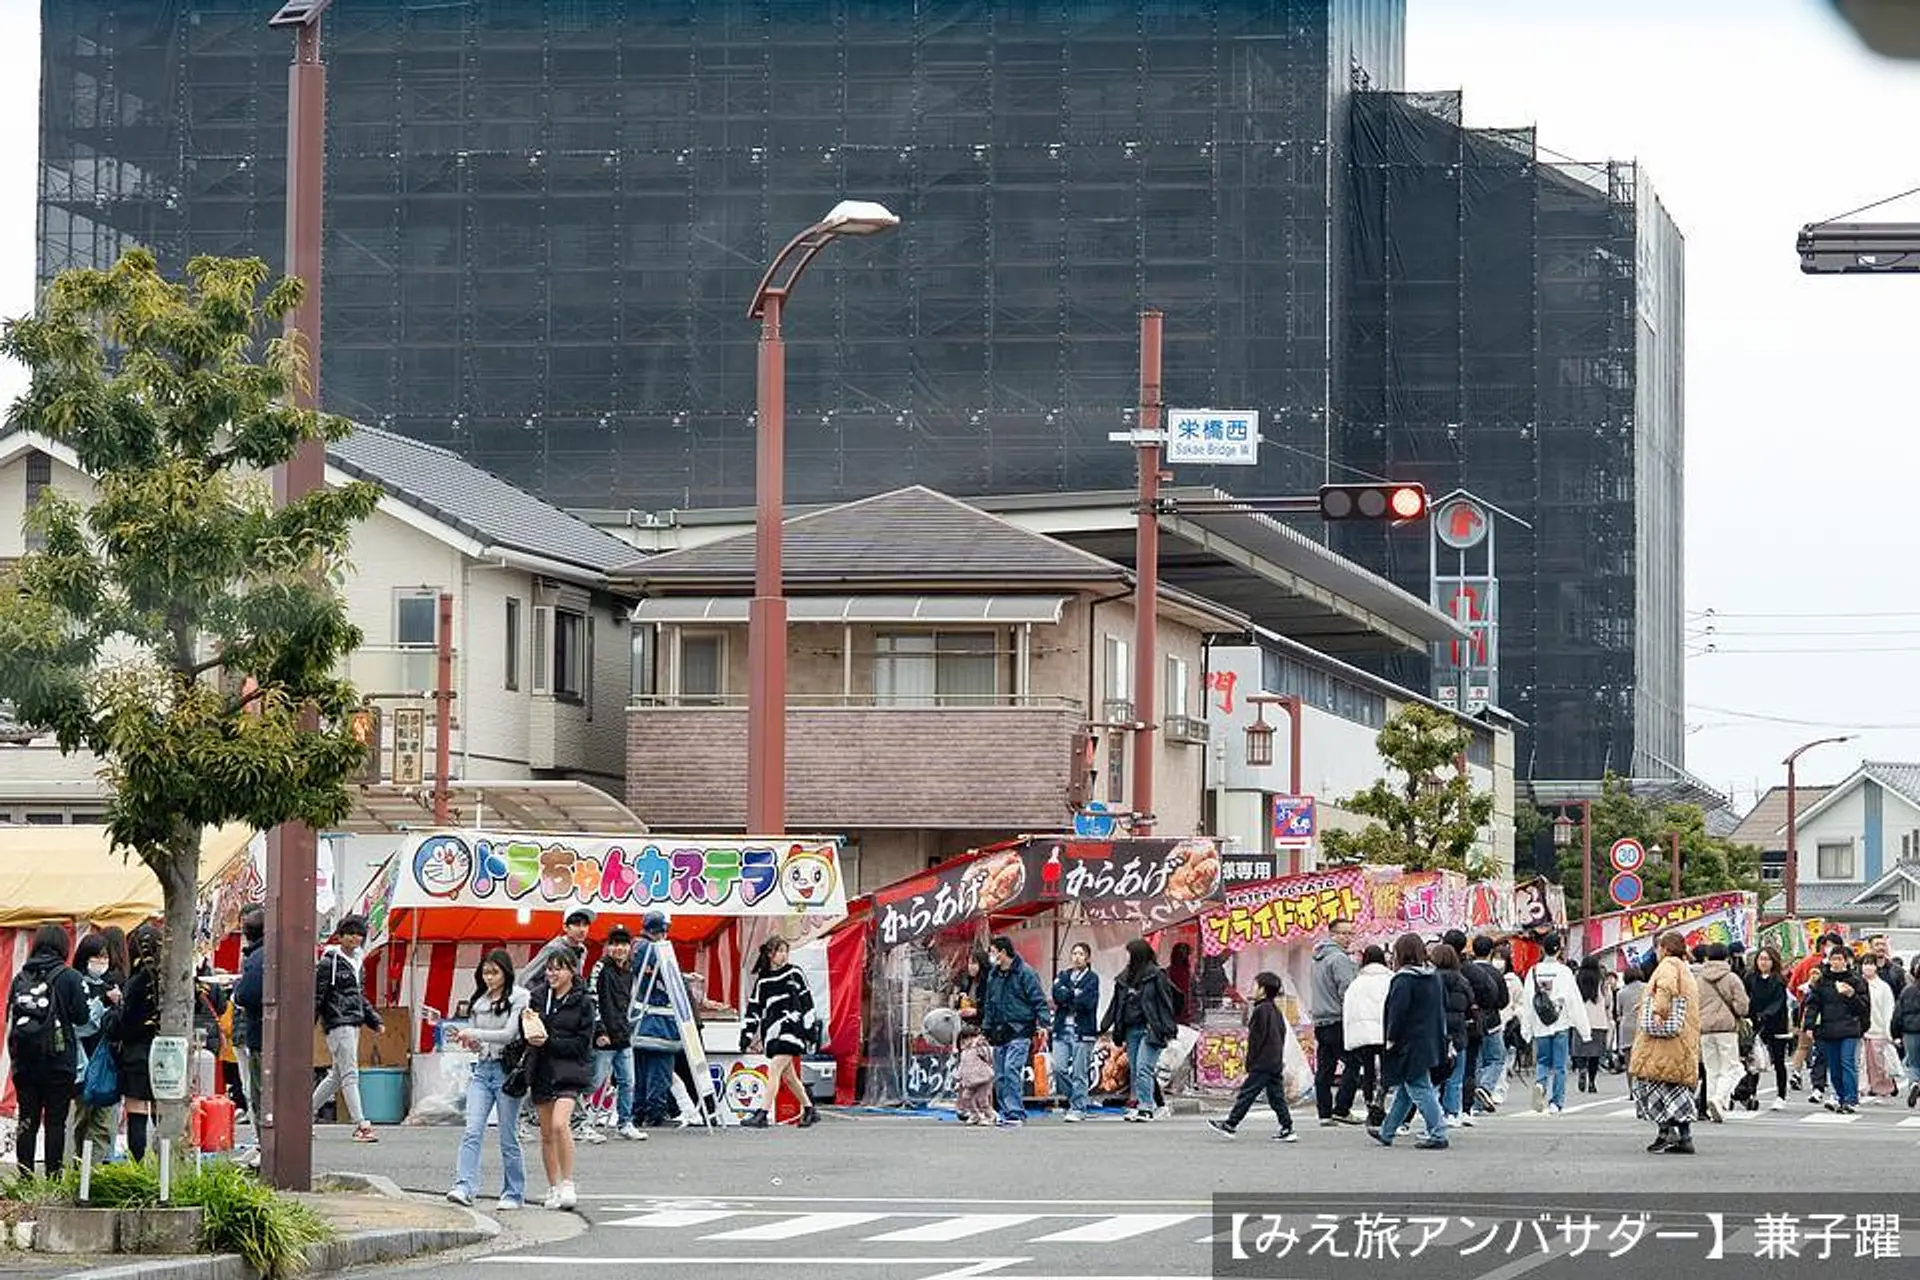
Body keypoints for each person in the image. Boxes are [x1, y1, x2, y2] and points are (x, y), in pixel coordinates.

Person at [446, 949, 529, 1210]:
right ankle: (464, 1186)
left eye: (495, 972)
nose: (490, 977)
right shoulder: (479, 1000)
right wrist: (469, 1040)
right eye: (485, 972)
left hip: (507, 1071)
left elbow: (509, 1034)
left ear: (506, 972)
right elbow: (478, 1045)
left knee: (508, 1135)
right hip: (482, 1070)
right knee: (472, 1130)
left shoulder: (519, 996)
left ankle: (513, 1193)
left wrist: (475, 1032)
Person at [8, 923, 88, 1176]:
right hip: (58, 1059)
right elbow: (82, 1017)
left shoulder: (21, 977)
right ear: (63, 947)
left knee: (27, 1119)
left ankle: (25, 1176)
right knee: (55, 1121)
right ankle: (54, 1175)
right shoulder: (70, 977)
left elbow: (11, 1013)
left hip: (25, 1060)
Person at [527, 950, 594, 1211]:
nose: (552, 974)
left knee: (559, 1124)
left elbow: (582, 1043)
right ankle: (552, 1185)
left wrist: (550, 1042)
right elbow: (528, 1029)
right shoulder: (538, 997)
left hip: (569, 1070)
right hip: (541, 1069)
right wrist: (529, 1027)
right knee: (545, 1134)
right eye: (550, 969)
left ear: (572, 971)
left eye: (559, 969)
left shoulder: (584, 1002)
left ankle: (568, 1182)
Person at [1370, 932, 1448, 1150]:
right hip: (1430, 1039)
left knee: (1418, 1086)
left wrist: (1391, 1039)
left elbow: (1397, 1013)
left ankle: (1438, 1131)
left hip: (1408, 1042)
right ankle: (1387, 1131)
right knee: (1407, 1088)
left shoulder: (1404, 979)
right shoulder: (1433, 976)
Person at [312, 914, 383, 1142]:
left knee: (337, 1075)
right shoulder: (329, 962)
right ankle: (361, 1124)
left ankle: (302, 1115)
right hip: (338, 1021)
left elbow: (358, 996)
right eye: (350, 933)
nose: (355, 938)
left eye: (359, 934)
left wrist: (373, 1019)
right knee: (349, 1074)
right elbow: (317, 996)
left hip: (352, 1021)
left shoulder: (357, 962)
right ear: (340, 936)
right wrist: (310, 1023)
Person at [1631, 929, 1702, 1154]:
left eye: (1658, 947)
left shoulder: (1668, 965)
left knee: (1655, 1083)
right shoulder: (1685, 969)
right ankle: (1685, 1137)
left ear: (1665, 948)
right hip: (1683, 1038)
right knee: (1677, 1087)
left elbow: (1666, 987)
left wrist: (1659, 1011)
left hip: (1663, 1041)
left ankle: (1665, 1132)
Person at [741, 938, 822, 1129]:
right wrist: (746, 1035)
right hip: (772, 1033)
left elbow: (807, 1001)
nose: (784, 955)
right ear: (770, 954)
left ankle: (762, 1114)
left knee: (775, 1070)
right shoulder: (763, 981)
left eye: (786, 951)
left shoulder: (795, 973)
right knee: (789, 1077)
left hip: (792, 1030)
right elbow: (753, 1010)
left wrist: (810, 1030)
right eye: (780, 951)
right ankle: (810, 1110)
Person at [1206, 971, 1296, 1142]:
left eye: (1255, 985)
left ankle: (1231, 1124)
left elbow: (1256, 1040)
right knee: (1276, 1097)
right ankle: (1287, 1127)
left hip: (1262, 1062)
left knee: (1247, 1094)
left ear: (1263, 990)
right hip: (1274, 1061)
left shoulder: (1261, 1010)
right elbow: (1281, 1034)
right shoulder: (1275, 1010)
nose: (1252, 988)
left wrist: (1250, 1063)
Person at [1101, 938, 1177, 1123]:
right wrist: (1105, 1025)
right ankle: (1156, 1105)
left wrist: (1168, 1028)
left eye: (1131, 954)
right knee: (1137, 1070)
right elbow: (1116, 1004)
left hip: (1151, 1029)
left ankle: (1145, 1107)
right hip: (1130, 1028)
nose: (1128, 958)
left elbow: (1166, 1003)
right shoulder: (1124, 977)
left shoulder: (1156, 975)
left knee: (1143, 1068)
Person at [1519, 931, 1591, 1115]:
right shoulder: (1564, 972)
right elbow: (1574, 1001)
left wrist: (1526, 1029)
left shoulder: (1533, 971)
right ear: (1559, 949)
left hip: (1540, 1024)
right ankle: (1555, 1103)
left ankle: (1540, 1085)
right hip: (1561, 1023)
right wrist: (1584, 1030)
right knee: (1559, 1065)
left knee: (1543, 1061)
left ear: (1543, 948)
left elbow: (1527, 1001)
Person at [980, 935, 1049, 1128]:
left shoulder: (1025, 973)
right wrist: (986, 1027)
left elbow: (1038, 999)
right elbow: (989, 1002)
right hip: (999, 1031)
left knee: (1011, 1069)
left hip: (1020, 1029)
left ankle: (1015, 1112)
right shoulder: (993, 975)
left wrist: (1043, 1024)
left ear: (1002, 952)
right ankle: (1007, 1111)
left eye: (993, 952)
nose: (991, 956)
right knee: (1000, 1074)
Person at [66, 932, 121, 1164]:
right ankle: (80, 1169)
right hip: (81, 1062)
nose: (101, 962)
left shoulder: (111, 986)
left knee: (104, 1121)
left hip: (106, 1063)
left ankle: (95, 1172)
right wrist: (104, 1004)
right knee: (82, 1119)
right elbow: (81, 1026)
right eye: (96, 957)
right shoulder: (75, 984)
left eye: (104, 957)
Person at [111, 922, 164, 1162]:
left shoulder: (133, 984)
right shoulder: (171, 980)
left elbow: (125, 1025)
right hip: (167, 1053)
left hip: (137, 1053)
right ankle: (165, 1166)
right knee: (162, 1111)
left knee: (137, 1111)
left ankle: (138, 1165)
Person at [628, 911, 684, 1129]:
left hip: (639, 1020)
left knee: (641, 1070)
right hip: (660, 1023)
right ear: (661, 929)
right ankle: (655, 1113)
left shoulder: (635, 947)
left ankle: (639, 1112)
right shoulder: (655, 949)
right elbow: (668, 978)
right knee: (659, 1070)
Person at [588, 925, 642, 1141]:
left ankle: (625, 1123)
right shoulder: (600, 968)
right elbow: (592, 999)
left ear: (630, 947)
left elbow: (627, 1004)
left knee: (628, 1081)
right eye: (614, 944)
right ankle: (584, 1122)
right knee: (594, 1081)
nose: (619, 948)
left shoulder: (629, 971)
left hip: (622, 1036)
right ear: (607, 947)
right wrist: (599, 1030)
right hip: (603, 1037)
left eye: (623, 944)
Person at [1805, 944, 1871, 1113]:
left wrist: (1851, 995)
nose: (1836, 962)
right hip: (1828, 1028)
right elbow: (1813, 1005)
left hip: (1850, 1028)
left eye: (1840, 959)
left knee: (1847, 1062)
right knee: (1834, 1066)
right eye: (1833, 959)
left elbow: (1863, 1007)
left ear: (1846, 961)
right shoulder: (1822, 981)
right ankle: (1840, 1097)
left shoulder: (1856, 981)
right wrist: (1809, 1025)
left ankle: (1851, 1098)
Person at [1308, 917, 1361, 1125]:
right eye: (1344, 933)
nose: (1348, 938)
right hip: (1338, 1018)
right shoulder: (1339, 959)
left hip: (1320, 1020)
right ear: (1333, 934)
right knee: (1353, 1062)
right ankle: (1342, 1108)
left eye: (1350, 933)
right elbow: (1347, 990)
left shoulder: (1317, 958)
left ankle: (1324, 1113)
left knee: (1325, 1068)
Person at [1050, 941, 1100, 1122]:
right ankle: (1076, 1099)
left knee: (1080, 1072)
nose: (1077, 957)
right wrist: (1074, 994)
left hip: (1083, 1030)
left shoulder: (1092, 978)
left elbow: (1087, 1002)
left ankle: (1078, 1107)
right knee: (1058, 1068)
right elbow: (1056, 995)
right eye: (1074, 953)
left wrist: (1068, 995)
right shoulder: (1063, 975)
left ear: (1087, 958)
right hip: (1062, 1029)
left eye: (1081, 954)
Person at [1342, 944, 1391, 1125]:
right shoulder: (1390, 979)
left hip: (1364, 1032)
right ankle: (1382, 1099)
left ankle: (1369, 1101)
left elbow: (1350, 1009)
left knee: (1368, 1070)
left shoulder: (1358, 982)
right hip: (1386, 1031)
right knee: (1386, 1069)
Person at [231, 904, 267, 1141]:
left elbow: (246, 995)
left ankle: (263, 1144)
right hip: (281, 1035)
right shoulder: (277, 952)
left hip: (257, 1033)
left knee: (258, 1090)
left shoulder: (256, 958)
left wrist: (236, 991)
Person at [1430, 943, 1474, 1128]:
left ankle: (1434, 1111)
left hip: (1435, 1031)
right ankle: (1453, 1112)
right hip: (1458, 1030)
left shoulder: (1430, 980)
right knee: (1456, 1076)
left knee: (1434, 1076)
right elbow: (1470, 1001)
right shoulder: (1462, 980)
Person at [1463, 936, 1508, 1115]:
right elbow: (1503, 1001)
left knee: (1474, 1062)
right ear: (1490, 952)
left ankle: (1473, 1100)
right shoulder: (1495, 973)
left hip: (1470, 1022)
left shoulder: (1466, 970)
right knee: (1496, 1058)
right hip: (1491, 1022)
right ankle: (1485, 1087)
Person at [1744, 945, 1792, 1110]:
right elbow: (1746, 997)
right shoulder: (1750, 978)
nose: (1763, 962)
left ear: (1773, 962)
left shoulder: (1778, 980)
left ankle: (1781, 1095)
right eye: (1761, 959)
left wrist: (1765, 1014)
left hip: (1776, 1024)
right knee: (1753, 1061)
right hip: (1755, 1024)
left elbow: (1779, 1002)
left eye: (1767, 959)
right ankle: (1751, 1093)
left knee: (1779, 1061)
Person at [1569, 956, 1611, 1093]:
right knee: (1595, 1054)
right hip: (1598, 1020)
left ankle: (1582, 1069)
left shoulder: (1577, 978)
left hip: (1580, 1019)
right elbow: (1608, 1001)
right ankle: (1592, 1082)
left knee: (1581, 1050)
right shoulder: (1602, 980)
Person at [1860, 955, 1900, 1101]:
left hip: (1878, 1029)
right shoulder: (1857, 984)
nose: (1867, 967)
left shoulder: (1883, 987)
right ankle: (1864, 1087)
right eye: (1865, 964)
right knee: (1862, 1061)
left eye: (1871, 964)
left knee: (1878, 1063)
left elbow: (1889, 1009)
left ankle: (1883, 1087)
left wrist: (1889, 1031)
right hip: (1861, 1029)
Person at [528, 909, 593, 996]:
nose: (582, 929)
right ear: (565, 927)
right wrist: (542, 998)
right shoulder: (554, 948)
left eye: (585, 925)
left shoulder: (582, 949)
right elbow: (527, 978)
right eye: (577, 925)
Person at [954, 1027, 995, 1126]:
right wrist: (958, 1079)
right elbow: (962, 1067)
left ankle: (990, 1116)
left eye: (972, 1037)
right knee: (966, 1097)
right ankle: (975, 1114)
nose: (968, 1040)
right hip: (970, 1080)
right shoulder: (964, 1052)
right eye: (965, 1038)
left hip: (983, 1078)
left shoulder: (979, 1048)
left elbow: (989, 1056)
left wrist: (980, 1044)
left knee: (983, 1100)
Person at [1896, 956, 1920, 1108]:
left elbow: (1898, 1013)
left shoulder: (1908, 990)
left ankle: (1914, 1084)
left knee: (1912, 1062)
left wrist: (1895, 1033)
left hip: (1910, 1030)